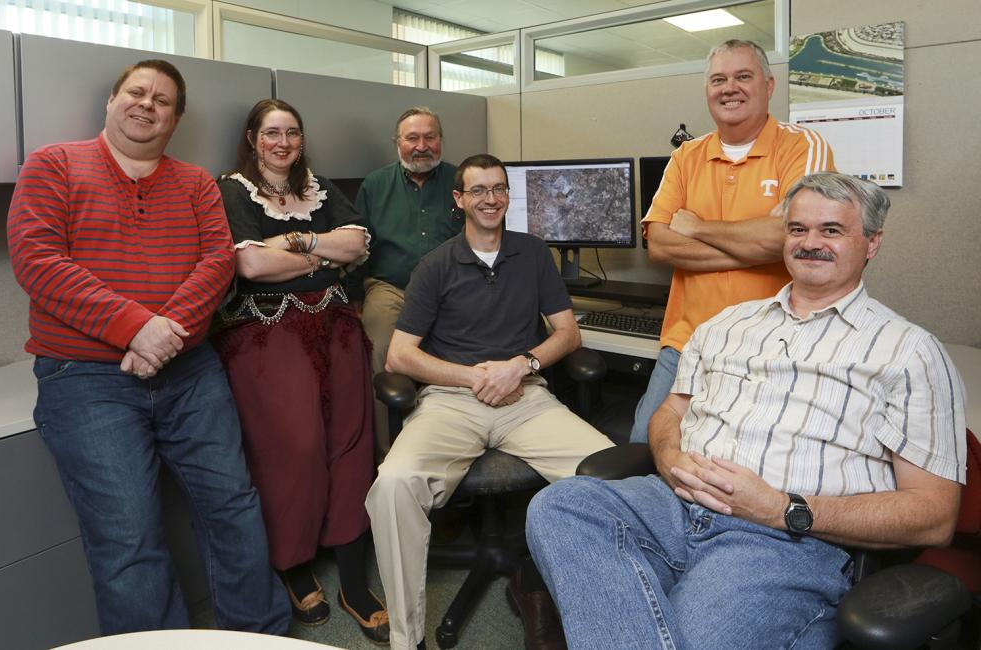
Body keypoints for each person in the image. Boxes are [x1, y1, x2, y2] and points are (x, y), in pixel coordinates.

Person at [527, 172, 967, 649]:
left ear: (872, 243)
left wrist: (783, 510)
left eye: (832, 230)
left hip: (780, 540)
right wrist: (669, 455)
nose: (810, 243)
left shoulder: (909, 351)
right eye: (797, 229)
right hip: (673, 507)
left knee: (693, 637)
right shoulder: (727, 324)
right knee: (561, 503)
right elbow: (669, 413)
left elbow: (934, 514)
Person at [6, 60, 289, 635]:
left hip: (190, 372)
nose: (147, 104)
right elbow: (37, 261)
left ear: (176, 118)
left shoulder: (195, 182)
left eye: (162, 100)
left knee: (233, 508)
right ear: (111, 101)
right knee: (128, 536)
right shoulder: (53, 165)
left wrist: (166, 334)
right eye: (136, 92)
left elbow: (217, 262)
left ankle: (260, 639)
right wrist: (135, 327)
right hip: (84, 380)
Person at [365, 154, 615, 650]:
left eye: (499, 189)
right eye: (478, 190)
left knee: (613, 477)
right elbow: (400, 354)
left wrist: (520, 366)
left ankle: (599, 618)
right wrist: (473, 376)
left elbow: (567, 333)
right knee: (393, 484)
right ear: (458, 201)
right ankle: (405, 638)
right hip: (451, 402)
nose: (490, 199)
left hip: (526, 399)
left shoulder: (533, 253)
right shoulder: (435, 265)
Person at [211, 98, 388, 644]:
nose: (283, 143)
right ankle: (291, 563)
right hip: (267, 333)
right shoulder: (233, 189)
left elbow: (357, 243)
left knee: (351, 443)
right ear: (252, 137)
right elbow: (250, 264)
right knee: (297, 446)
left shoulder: (319, 188)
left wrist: (300, 240)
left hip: (335, 325)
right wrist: (324, 256)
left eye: (292, 132)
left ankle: (353, 577)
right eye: (271, 133)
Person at [630, 39, 836, 442]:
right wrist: (762, 243)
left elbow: (795, 238)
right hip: (687, 344)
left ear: (769, 85)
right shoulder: (685, 158)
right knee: (642, 448)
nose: (730, 88)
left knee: (744, 462)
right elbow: (659, 244)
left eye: (743, 76)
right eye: (718, 79)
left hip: (774, 346)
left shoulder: (802, 147)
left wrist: (698, 227)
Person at [349, 107, 464, 456]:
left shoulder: (462, 181)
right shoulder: (375, 184)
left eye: (430, 137)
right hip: (390, 288)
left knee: (469, 345)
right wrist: (355, 298)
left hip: (453, 288)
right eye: (412, 138)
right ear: (397, 143)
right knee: (381, 348)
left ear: (441, 140)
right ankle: (390, 452)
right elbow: (358, 246)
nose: (422, 145)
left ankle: (456, 445)